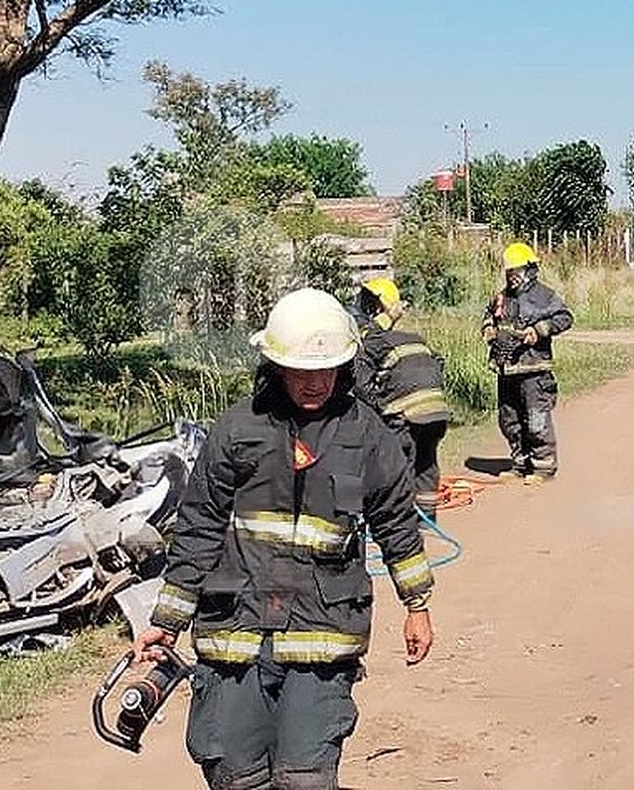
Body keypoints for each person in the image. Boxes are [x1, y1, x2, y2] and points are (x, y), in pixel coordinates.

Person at [133, 287, 435, 790]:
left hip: (323, 634)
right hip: (234, 632)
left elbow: (397, 525)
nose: (314, 382)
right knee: (233, 773)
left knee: (305, 778)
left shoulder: (369, 437)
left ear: (345, 367)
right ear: (276, 366)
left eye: (327, 369)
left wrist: (417, 605)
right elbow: (198, 527)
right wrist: (166, 622)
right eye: (301, 370)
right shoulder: (236, 430)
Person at [350, 277, 452, 517]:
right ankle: (427, 518)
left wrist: (380, 408)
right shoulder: (414, 338)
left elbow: (361, 385)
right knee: (426, 464)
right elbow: (437, 362)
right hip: (436, 411)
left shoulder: (372, 342)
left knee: (397, 466)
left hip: (405, 415)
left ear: (374, 308)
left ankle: (399, 520)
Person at [481, 242, 574, 483]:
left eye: (517, 271)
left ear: (530, 269)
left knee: (536, 419)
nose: (512, 276)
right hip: (506, 370)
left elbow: (565, 317)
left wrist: (539, 330)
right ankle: (520, 464)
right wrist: (489, 329)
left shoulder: (544, 296)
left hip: (534, 370)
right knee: (509, 419)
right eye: (509, 272)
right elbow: (487, 316)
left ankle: (543, 467)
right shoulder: (501, 297)